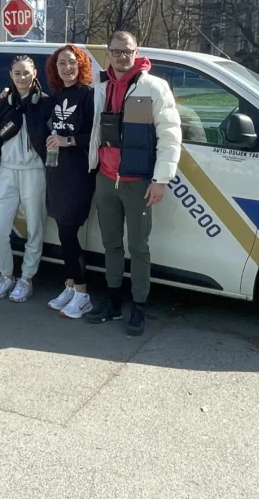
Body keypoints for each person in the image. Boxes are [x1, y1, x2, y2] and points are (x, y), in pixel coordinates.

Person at [85, 31, 182, 335]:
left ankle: (138, 305)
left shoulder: (153, 87)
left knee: (138, 247)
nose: (122, 57)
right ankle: (113, 301)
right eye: (116, 51)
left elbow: (170, 135)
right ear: (108, 53)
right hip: (105, 178)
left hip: (138, 181)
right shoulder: (101, 85)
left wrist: (161, 179)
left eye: (128, 51)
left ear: (136, 51)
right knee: (111, 244)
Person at [0, 55, 50, 303]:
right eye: (17, 73)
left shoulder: (45, 102)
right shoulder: (4, 102)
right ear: (10, 75)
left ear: (35, 73)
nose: (22, 77)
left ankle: (26, 279)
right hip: (7, 171)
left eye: (26, 72)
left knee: (35, 229)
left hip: (33, 171)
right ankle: (5, 275)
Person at [44, 45, 97, 319]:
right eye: (62, 63)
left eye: (72, 62)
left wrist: (69, 140)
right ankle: (70, 286)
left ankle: (82, 294)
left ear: (82, 65)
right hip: (56, 171)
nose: (67, 68)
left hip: (78, 173)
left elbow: (98, 136)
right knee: (62, 231)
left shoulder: (88, 95)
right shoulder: (56, 95)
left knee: (68, 232)